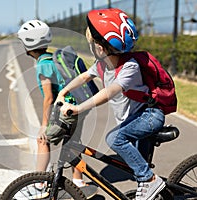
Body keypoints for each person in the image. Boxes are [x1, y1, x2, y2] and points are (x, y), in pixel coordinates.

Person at [56, 8, 166, 200]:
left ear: (100, 47)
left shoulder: (129, 67)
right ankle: (148, 184)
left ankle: (150, 181)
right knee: (136, 168)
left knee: (115, 139)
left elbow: (108, 93)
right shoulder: (102, 64)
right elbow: (83, 77)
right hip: (133, 119)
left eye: (92, 42)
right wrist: (63, 91)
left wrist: (78, 108)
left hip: (149, 116)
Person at [17, 19, 97, 199]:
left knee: (42, 140)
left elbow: (49, 97)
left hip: (65, 110)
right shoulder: (53, 58)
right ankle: (78, 182)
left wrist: (44, 125)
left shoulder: (43, 64)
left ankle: (39, 184)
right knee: (74, 141)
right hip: (78, 106)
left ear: (29, 44)